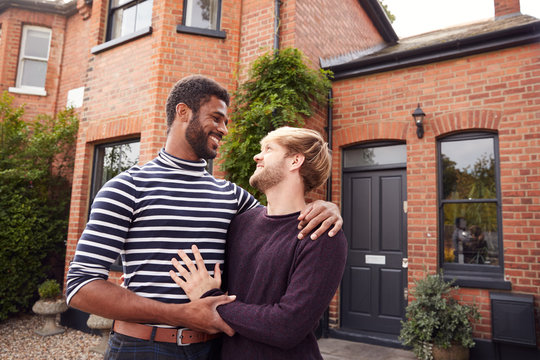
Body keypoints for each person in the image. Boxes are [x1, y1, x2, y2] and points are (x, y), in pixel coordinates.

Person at [65, 75, 343, 360]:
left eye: (226, 122)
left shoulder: (233, 197)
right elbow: (80, 287)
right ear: (183, 112)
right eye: (216, 118)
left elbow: (280, 219)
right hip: (144, 348)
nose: (223, 129)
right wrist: (179, 314)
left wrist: (325, 206)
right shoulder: (127, 188)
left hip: (215, 349)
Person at [170, 126, 348, 359]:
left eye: (268, 149)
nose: (257, 156)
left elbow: (287, 326)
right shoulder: (240, 223)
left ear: (295, 161)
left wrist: (212, 299)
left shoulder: (321, 235)